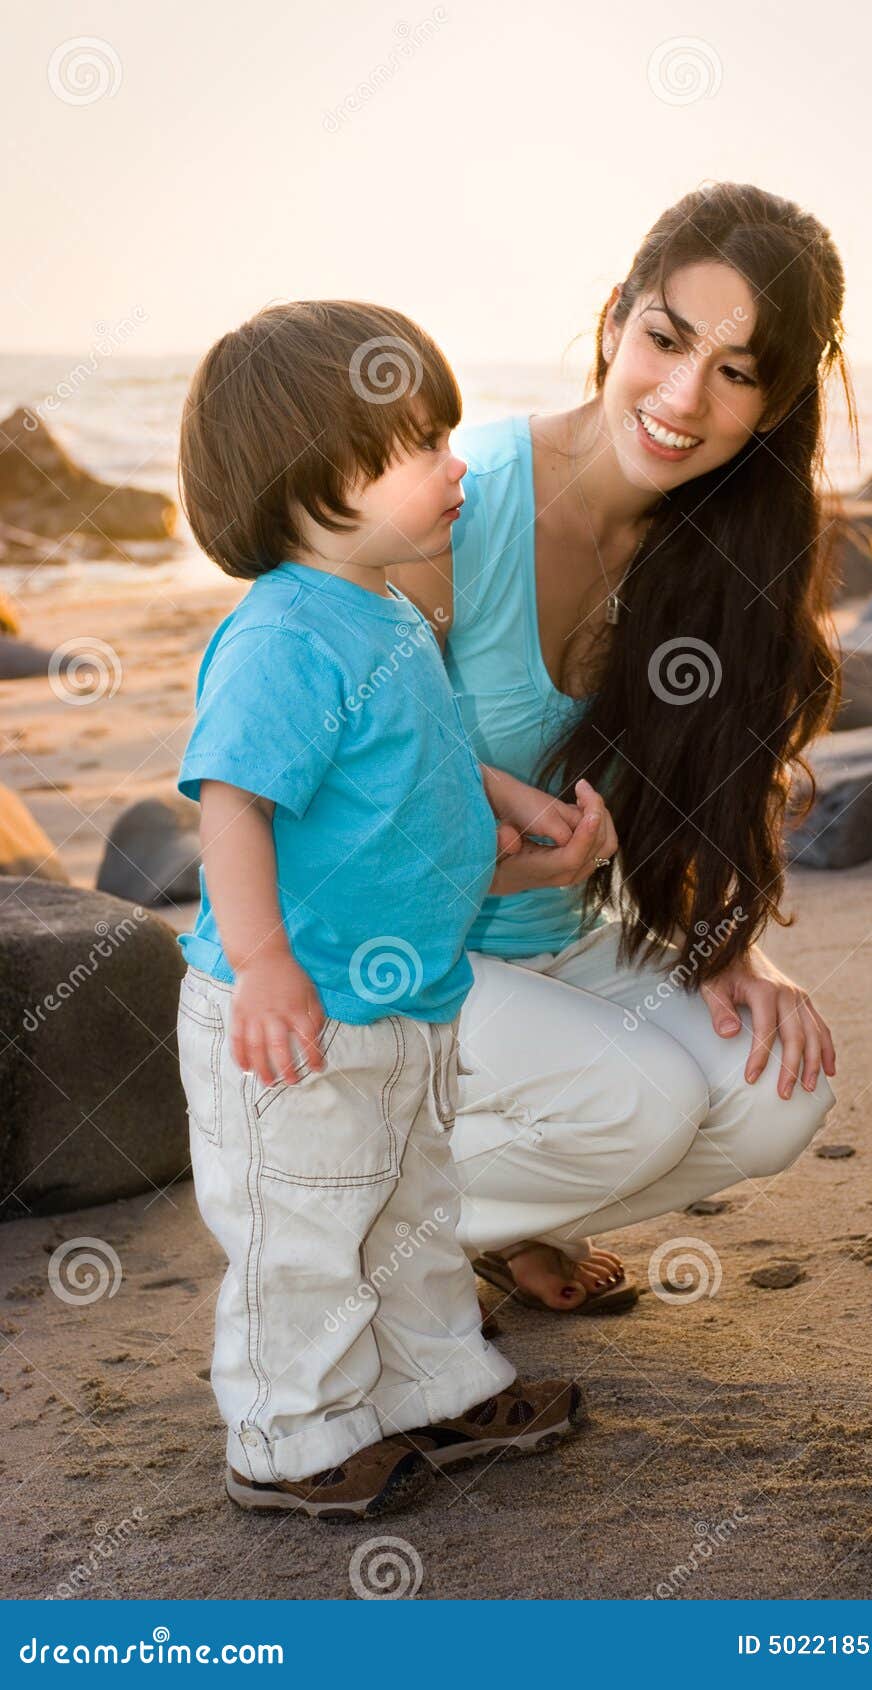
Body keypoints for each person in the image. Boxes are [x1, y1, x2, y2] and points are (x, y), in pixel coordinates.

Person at [388, 183, 850, 1314]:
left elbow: (687, 806)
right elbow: (340, 803)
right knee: (642, 1099)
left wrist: (731, 941)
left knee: (780, 1088)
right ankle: (338, 1224)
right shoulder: (462, 510)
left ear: (775, 404)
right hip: (394, 958)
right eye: (667, 338)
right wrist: (491, 856)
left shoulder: (723, 557)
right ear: (614, 320)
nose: (684, 397)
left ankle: (508, 1218)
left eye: (737, 374)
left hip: (556, 947)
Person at [174, 299, 592, 1519]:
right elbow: (233, 803)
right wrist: (261, 965)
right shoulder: (283, 636)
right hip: (295, 1017)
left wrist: (516, 799)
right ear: (310, 479)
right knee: (303, 1230)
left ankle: (430, 1384)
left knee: (412, 1206)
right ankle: (289, 1434)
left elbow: (435, 750)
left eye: (447, 436)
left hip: (405, 997)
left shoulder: (387, 605)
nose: (458, 464)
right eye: (420, 444)